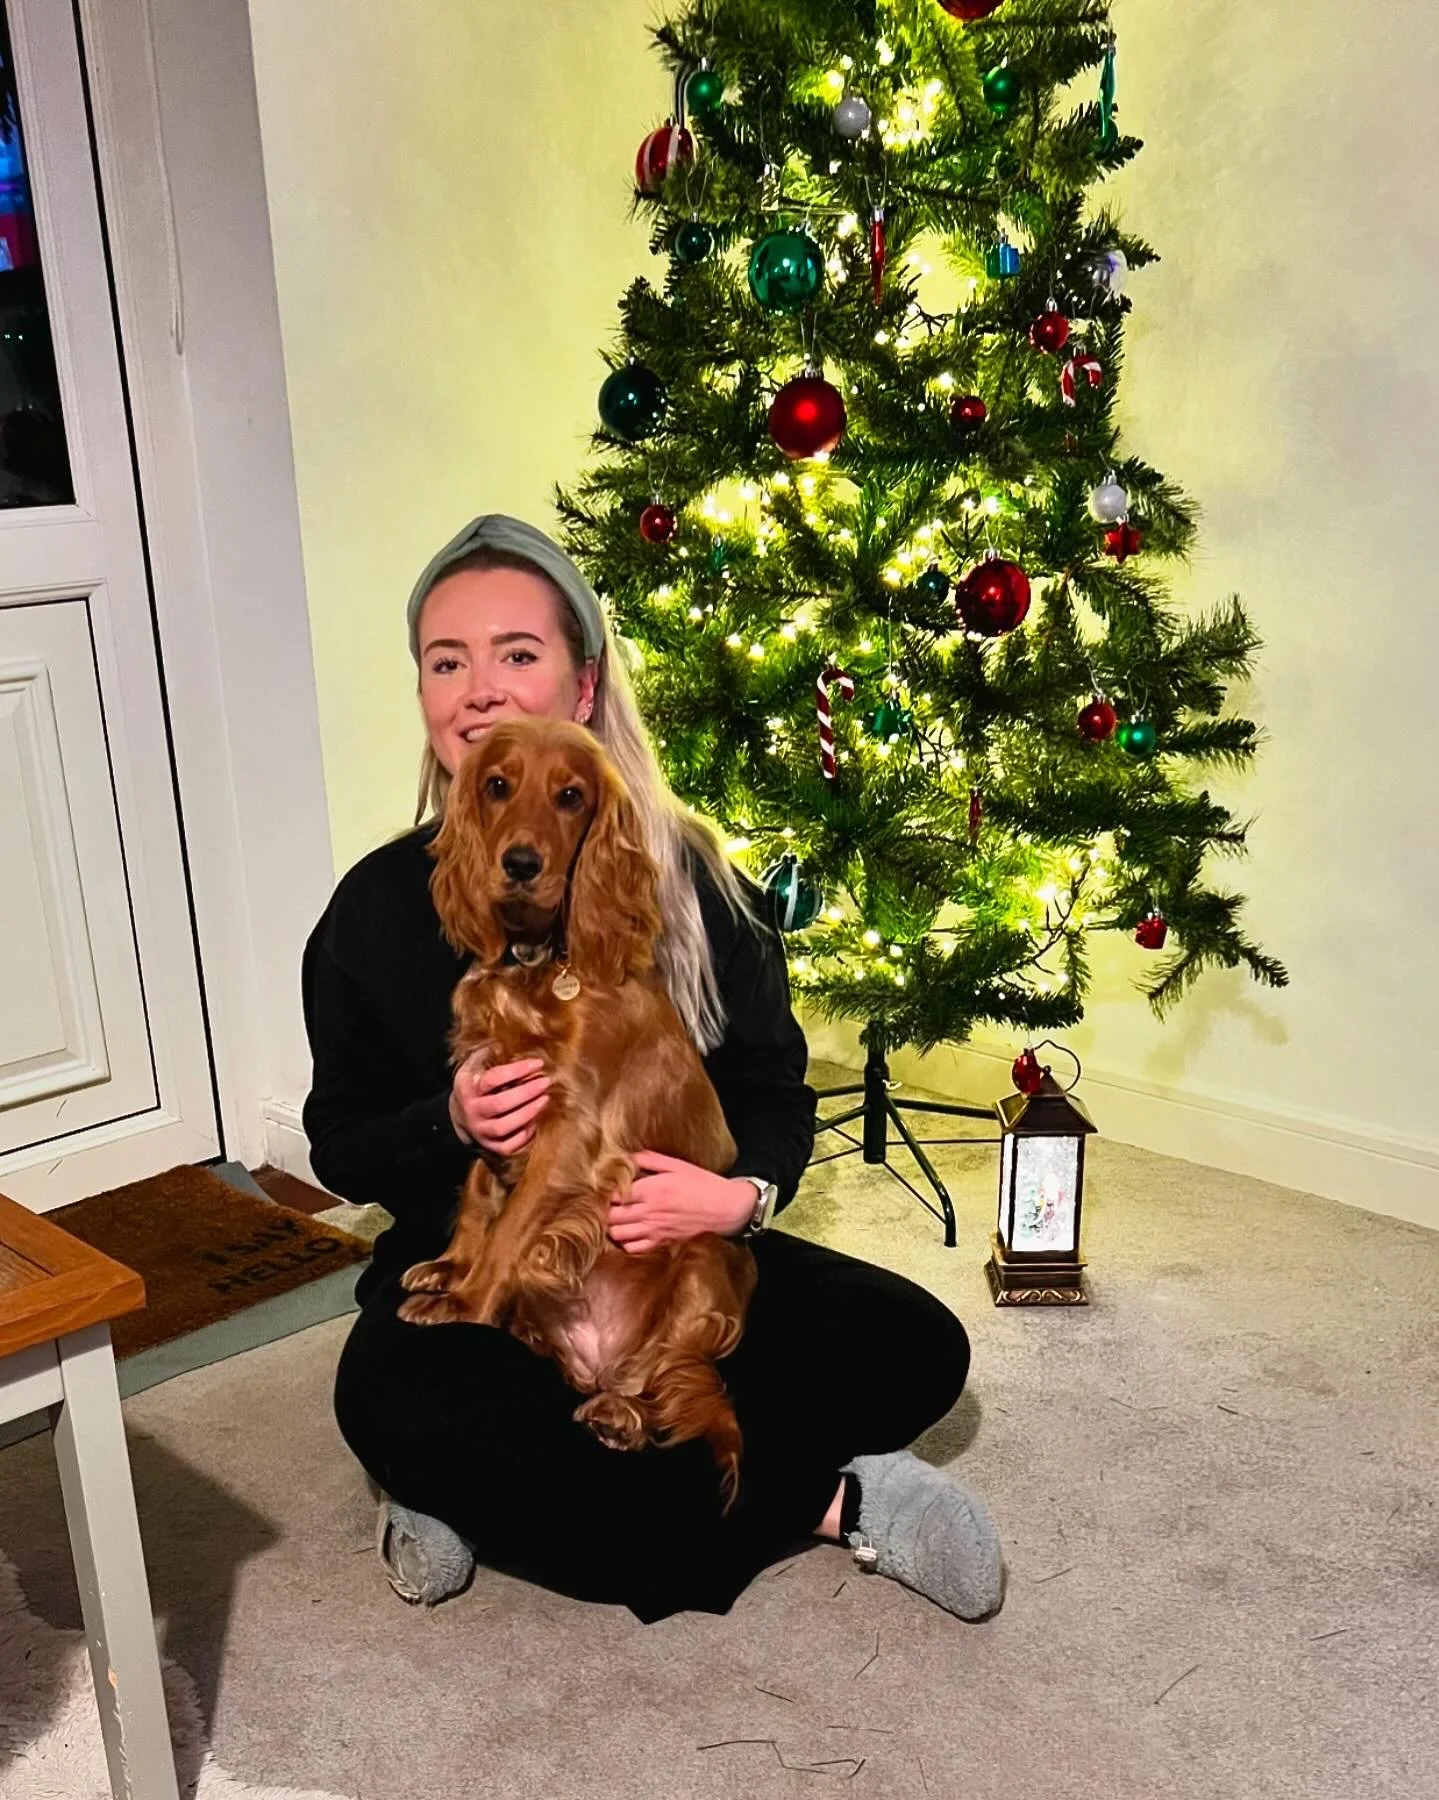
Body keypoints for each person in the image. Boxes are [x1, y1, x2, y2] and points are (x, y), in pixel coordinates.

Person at [304, 514, 1005, 1624]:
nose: (480, 691)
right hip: (475, 1273)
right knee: (392, 1399)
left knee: (919, 1341)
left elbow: (773, 1088)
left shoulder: (686, 874)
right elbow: (338, 1142)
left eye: (516, 654)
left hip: (667, 1251)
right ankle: (835, 1500)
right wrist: (450, 1121)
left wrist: (739, 1197)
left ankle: (487, 1499)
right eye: (447, 662)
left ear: (583, 686)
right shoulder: (374, 909)